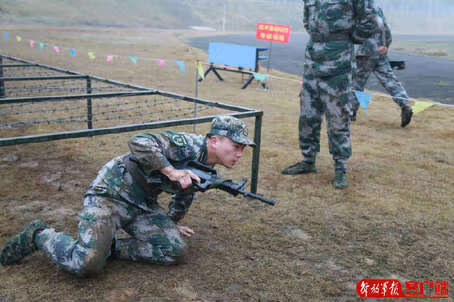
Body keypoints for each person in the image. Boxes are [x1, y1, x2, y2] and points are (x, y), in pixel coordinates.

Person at [0, 115, 254, 276]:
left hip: (143, 204)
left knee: (174, 250)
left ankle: (107, 247)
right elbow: (139, 141)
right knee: (86, 264)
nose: (240, 154)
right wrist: (171, 170)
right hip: (109, 194)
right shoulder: (185, 144)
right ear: (214, 141)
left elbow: (185, 193)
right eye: (236, 146)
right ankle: (38, 235)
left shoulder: (208, 166)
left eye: (242, 149)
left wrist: (173, 222)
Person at [281, 0, 378, 189]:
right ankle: (308, 160)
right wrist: (320, 37)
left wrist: (349, 38)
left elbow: (370, 20)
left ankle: (340, 168)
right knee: (308, 115)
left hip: (338, 63)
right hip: (313, 60)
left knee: (338, 118)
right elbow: (307, 21)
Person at [351, 7, 413, 127]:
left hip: (366, 51)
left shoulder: (357, 9)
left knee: (357, 82)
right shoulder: (376, 9)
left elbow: (355, 32)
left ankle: (350, 112)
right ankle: (404, 104)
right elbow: (387, 30)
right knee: (389, 80)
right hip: (381, 50)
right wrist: (385, 45)